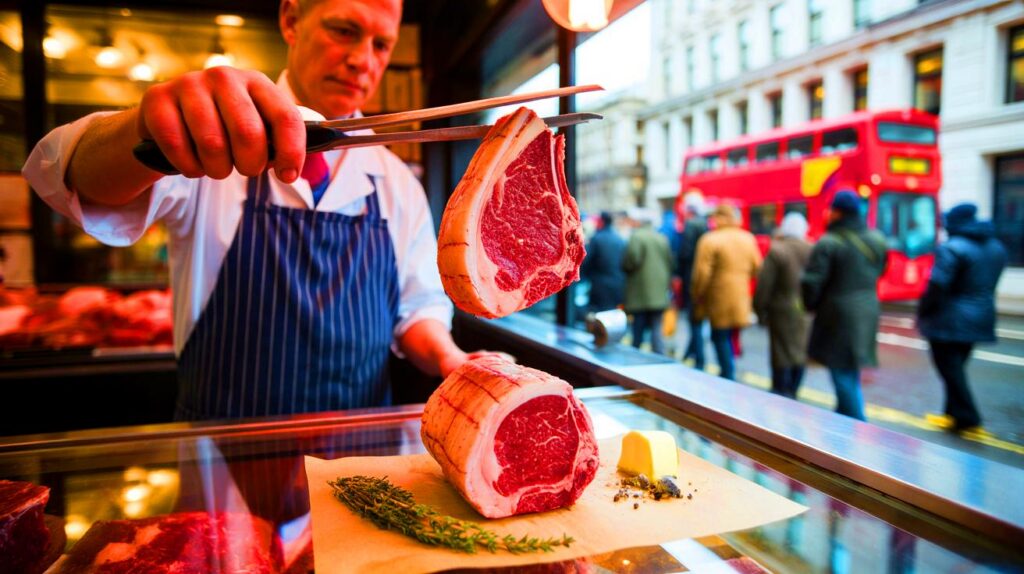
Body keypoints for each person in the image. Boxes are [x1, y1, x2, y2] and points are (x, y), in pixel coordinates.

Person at [21, 0, 485, 421]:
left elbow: (417, 307)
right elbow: (71, 178)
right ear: (290, 20)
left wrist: (449, 358)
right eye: (343, 30)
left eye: (381, 44)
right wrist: (144, 126)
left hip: (360, 466)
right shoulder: (213, 138)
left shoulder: (397, 182)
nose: (363, 60)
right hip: (224, 470)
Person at [917, 203, 1007, 434]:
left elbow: (937, 285)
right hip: (982, 315)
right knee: (956, 368)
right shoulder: (996, 247)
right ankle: (952, 414)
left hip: (949, 320)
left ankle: (968, 417)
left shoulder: (951, 248)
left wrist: (924, 311)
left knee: (950, 369)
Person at [801, 190, 887, 421]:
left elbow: (812, 282)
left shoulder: (829, 242)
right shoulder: (877, 239)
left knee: (842, 373)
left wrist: (810, 305)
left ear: (836, 212)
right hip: (868, 310)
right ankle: (842, 420)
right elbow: (881, 270)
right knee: (850, 369)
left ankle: (856, 426)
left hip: (837, 314)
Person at [690, 203, 762, 381]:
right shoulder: (748, 238)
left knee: (720, 336)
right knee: (731, 336)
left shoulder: (710, 239)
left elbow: (701, 274)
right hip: (741, 297)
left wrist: (697, 295)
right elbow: (758, 268)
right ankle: (729, 370)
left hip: (718, 297)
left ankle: (728, 375)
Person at [753, 212, 812, 398]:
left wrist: (759, 311)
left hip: (781, 311)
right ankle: (793, 391)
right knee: (800, 353)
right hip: (806, 310)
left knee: (781, 354)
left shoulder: (777, 250)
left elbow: (764, 286)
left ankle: (781, 393)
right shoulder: (812, 249)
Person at [622, 209, 674, 355]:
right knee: (657, 330)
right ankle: (659, 360)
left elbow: (631, 261)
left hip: (640, 293)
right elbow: (670, 262)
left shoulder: (636, 237)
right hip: (658, 293)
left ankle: (634, 362)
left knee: (637, 331)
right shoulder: (661, 237)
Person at [678, 192, 708, 368]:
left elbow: (685, 253)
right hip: (701, 278)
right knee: (698, 319)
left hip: (691, 277)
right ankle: (692, 352)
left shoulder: (690, 225)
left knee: (694, 319)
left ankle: (699, 358)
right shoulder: (705, 225)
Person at [581, 212, 626, 313]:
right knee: (612, 315)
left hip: (600, 285)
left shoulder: (597, 239)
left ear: (601, 222)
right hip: (617, 284)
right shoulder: (619, 239)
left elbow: (586, 261)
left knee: (599, 315)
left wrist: (584, 276)